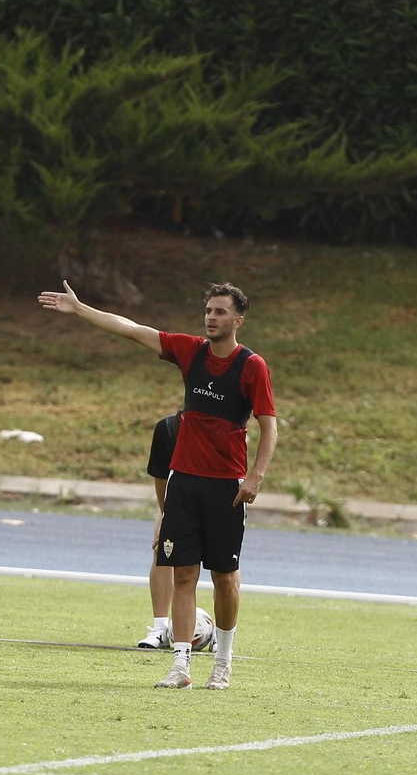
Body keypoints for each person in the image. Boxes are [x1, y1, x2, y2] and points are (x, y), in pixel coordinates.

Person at [39, 280, 276, 689]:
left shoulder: (251, 366)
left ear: (238, 320)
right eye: (208, 311)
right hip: (183, 483)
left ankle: (223, 662)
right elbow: (131, 328)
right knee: (183, 575)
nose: (211, 318)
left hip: (225, 487)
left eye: (220, 312)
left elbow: (269, 426)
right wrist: (81, 310)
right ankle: (180, 666)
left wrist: (255, 476)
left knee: (224, 578)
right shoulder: (189, 351)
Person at [138, 411, 217, 651]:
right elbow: (161, 477)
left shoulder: (225, 425)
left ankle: (221, 638)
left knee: (223, 566)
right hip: (179, 502)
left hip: (218, 501)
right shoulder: (169, 429)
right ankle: (161, 629)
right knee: (161, 551)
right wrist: (165, 514)